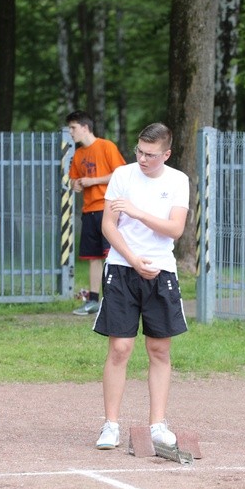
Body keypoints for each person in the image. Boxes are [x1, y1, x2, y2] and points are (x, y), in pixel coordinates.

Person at [92, 122, 189, 450]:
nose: (142, 158)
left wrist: (137, 212)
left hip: (161, 272)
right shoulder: (122, 175)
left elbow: (175, 229)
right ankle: (111, 425)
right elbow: (108, 225)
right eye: (139, 152)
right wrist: (132, 259)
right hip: (122, 269)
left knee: (159, 349)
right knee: (120, 348)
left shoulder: (178, 181)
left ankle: (158, 424)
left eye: (150, 154)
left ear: (166, 153)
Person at [66, 110, 126, 315]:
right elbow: (73, 179)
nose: (71, 133)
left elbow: (121, 175)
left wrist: (94, 181)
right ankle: (93, 300)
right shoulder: (78, 154)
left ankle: (116, 299)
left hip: (107, 209)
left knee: (113, 255)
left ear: (85, 127)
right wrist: (76, 185)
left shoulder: (106, 146)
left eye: (73, 128)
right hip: (89, 211)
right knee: (93, 257)